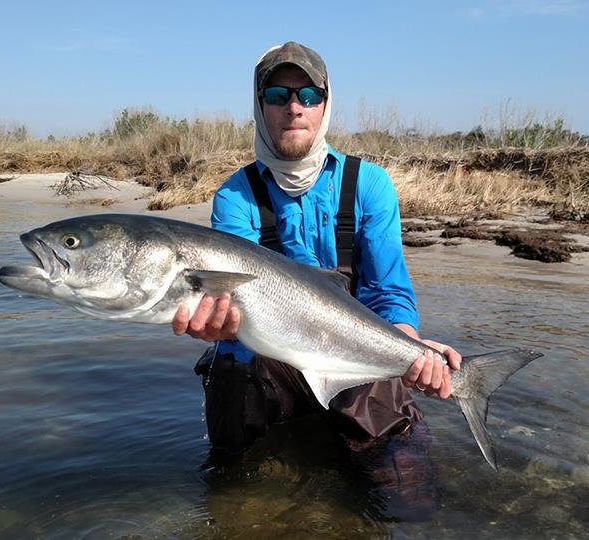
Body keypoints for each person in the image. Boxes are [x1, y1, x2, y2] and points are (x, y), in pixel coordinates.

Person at [172, 41, 463, 515]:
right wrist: (216, 323)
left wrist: (411, 347)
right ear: (258, 104)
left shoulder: (369, 185)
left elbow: (388, 291)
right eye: (277, 95)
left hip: (354, 350)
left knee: (411, 496)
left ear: (326, 104)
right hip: (268, 356)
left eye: (309, 95)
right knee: (232, 486)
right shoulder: (234, 196)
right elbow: (235, 306)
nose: (294, 108)